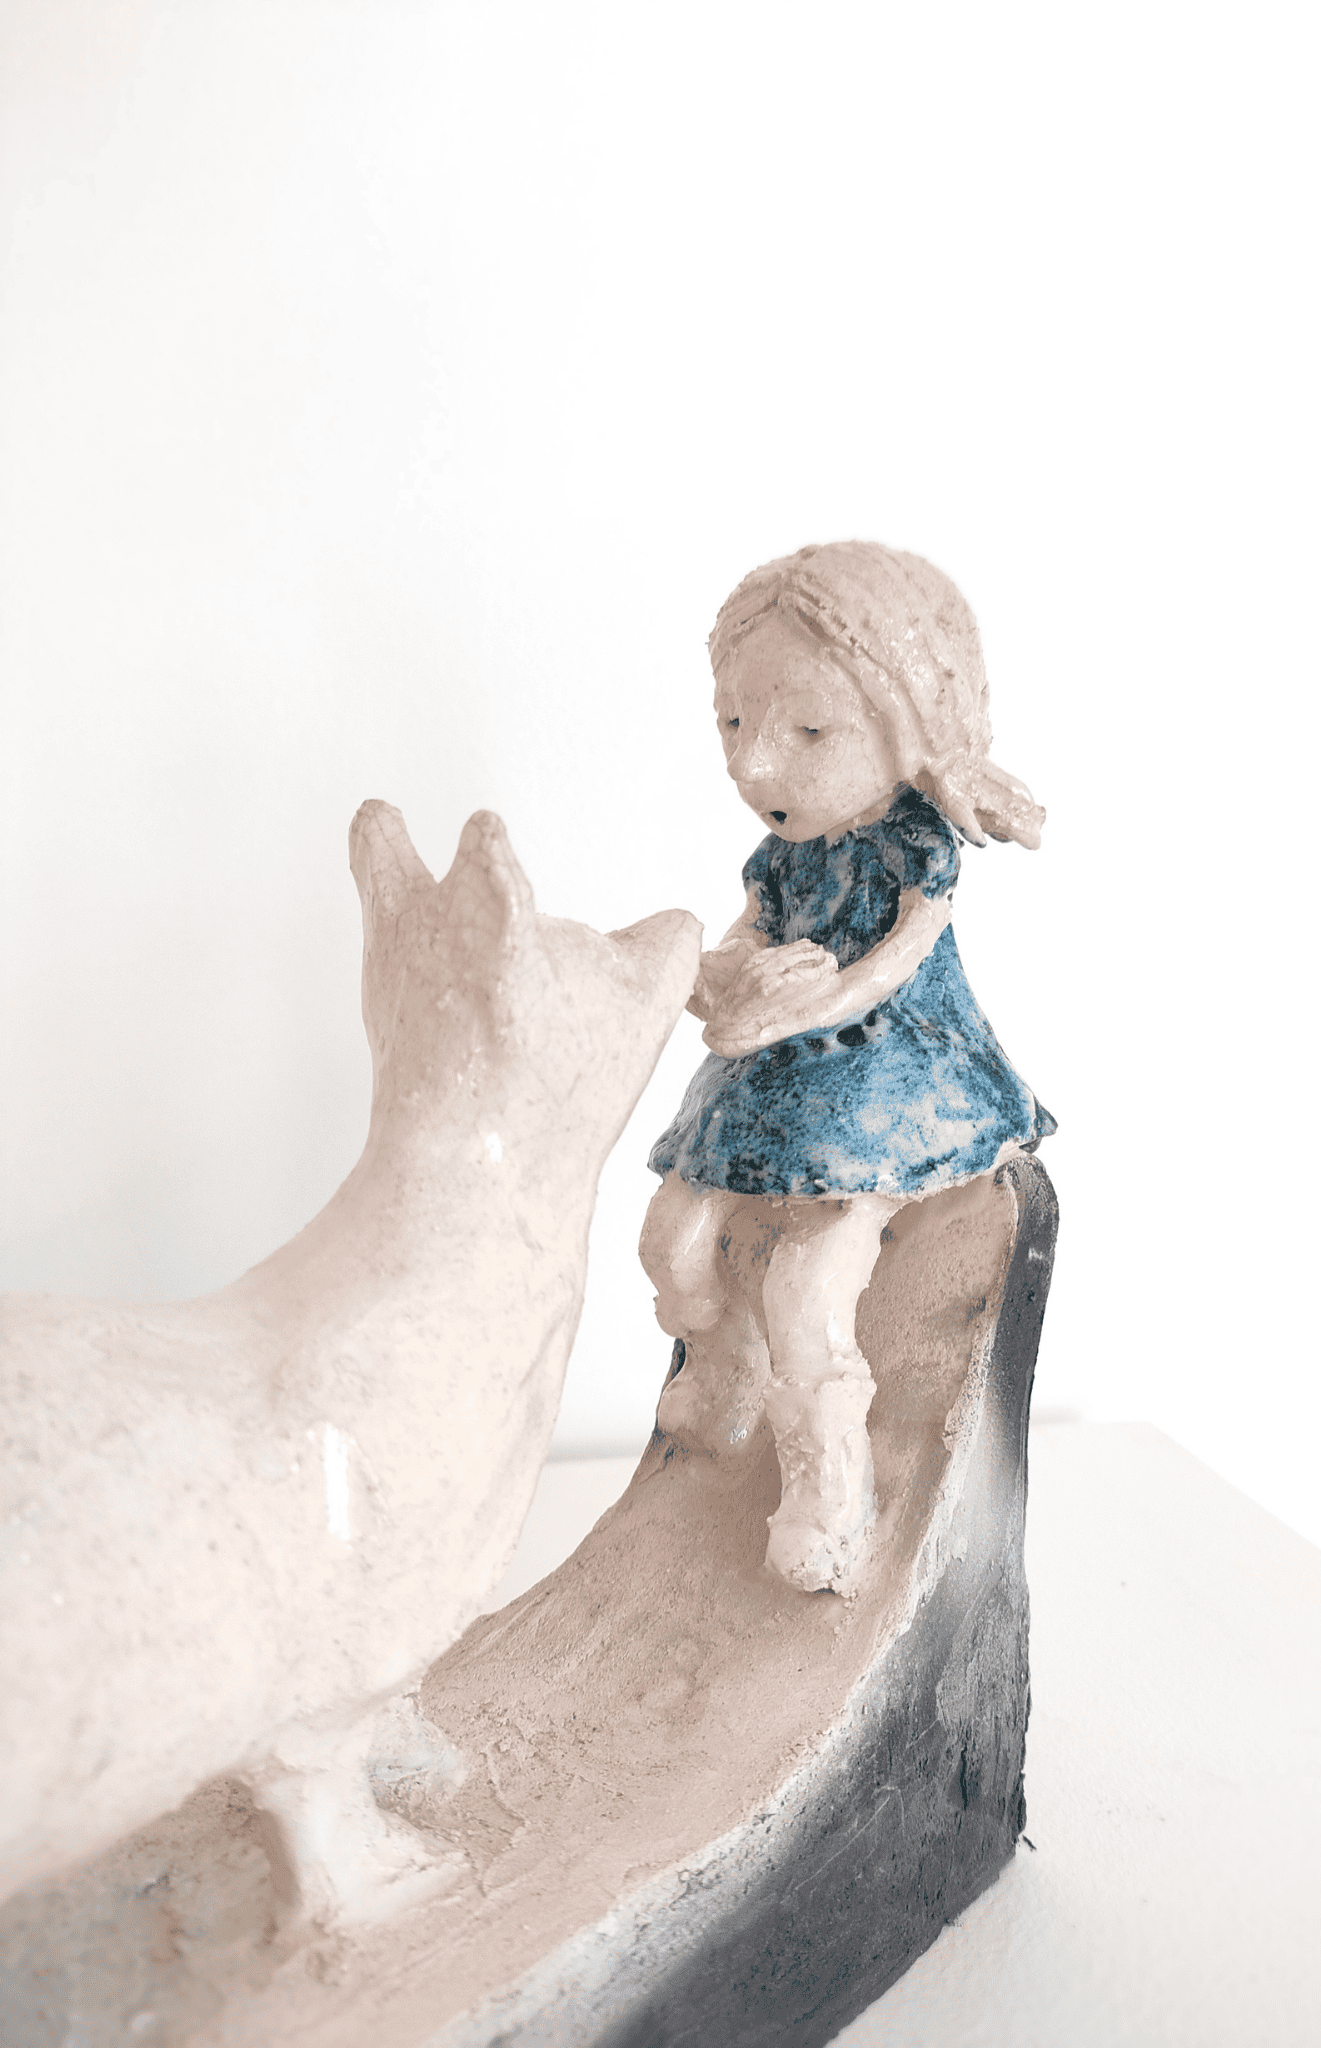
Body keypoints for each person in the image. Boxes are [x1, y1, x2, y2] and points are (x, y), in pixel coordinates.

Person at [642, 541, 1054, 1594]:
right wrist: (720, 978)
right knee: (673, 1239)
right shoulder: (785, 856)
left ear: (910, 728)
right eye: (733, 723)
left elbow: (897, 962)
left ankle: (827, 1489)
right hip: (773, 1074)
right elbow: (745, 932)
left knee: (806, 1283)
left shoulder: (909, 842)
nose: (751, 765)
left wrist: (808, 1002)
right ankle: (720, 1371)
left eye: (808, 731)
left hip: (887, 1080)